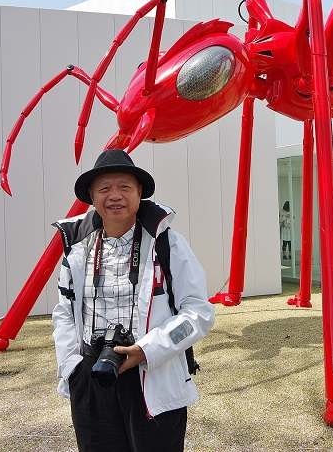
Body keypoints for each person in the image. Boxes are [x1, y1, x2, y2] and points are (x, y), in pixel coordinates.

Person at [51, 149, 215, 452]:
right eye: (104, 188)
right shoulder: (77, 249)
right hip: (91, 376)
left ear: (140, 193)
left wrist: (149, 349)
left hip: (151, 372)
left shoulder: (166, 243)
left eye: (124, 187)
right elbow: (64, 313)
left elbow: (198, 314)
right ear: (91, 195)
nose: (115, 196)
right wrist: (72, 367)